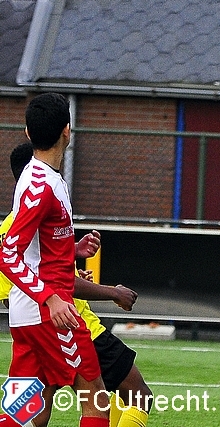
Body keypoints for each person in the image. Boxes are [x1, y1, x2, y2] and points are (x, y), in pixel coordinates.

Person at [0, 141, 154, 427]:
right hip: (68, 324)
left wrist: (72, 254)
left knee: (28, 413)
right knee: (119, 399)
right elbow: (48, 277)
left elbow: (18, 285)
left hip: (30, 325)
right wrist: (112, 292)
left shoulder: (11, 225)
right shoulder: (45, 196)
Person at [0, 93, 109, 427]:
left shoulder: (40, 177)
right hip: (48, 314)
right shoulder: (42, 186)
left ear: (29, 134)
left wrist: (71, 250)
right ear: (68, 131)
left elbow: (34, 246)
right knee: (97, 401)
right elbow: (7, 253)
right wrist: (50, 298)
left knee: (25, 411)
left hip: (28, 313)